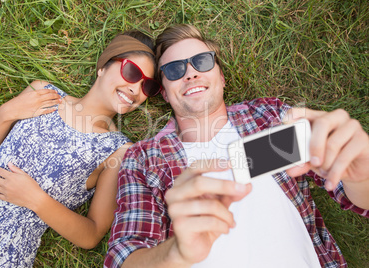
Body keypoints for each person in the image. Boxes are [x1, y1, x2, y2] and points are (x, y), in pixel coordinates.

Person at [105, 24, 369, 268]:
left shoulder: (267, 117)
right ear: (163, 91)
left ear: (220, 76)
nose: (191, 73)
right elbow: (125, 256)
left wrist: (361, 172)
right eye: (174, 69)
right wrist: (175, 252)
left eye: (202, 61)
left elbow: (352, 193)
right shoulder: (145, 159)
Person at [0, 30, 162, 267]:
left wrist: (35, 199)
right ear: (102, 67)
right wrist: (7, 113)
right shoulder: (43, 94)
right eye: (131, 72)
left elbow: (92, 234)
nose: (136, 89)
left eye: (148, 86)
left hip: (1, 253)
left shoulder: (119, 151)